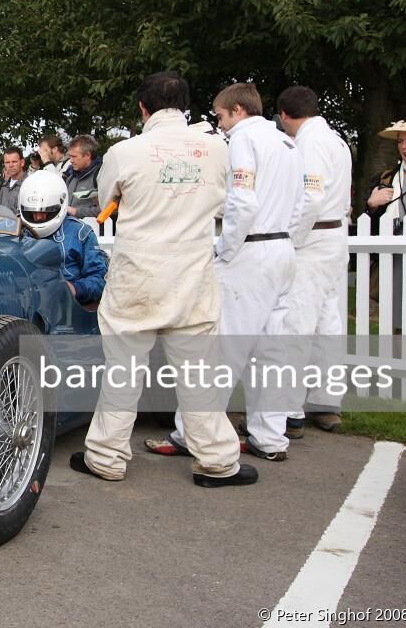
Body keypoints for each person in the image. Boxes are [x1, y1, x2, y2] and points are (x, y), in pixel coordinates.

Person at [72, 71, 255, 487]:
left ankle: (105, 457)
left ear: (142, 108)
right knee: (199, 375)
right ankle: (217, 462)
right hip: (191, 274)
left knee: (123, 371)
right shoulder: (216, 150)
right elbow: (228, 204)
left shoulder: (125, 151)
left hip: (138, 273)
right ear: (186, 105)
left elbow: (106, 200)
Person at [150, 83, 305, 462]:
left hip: (250, 251)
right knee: (272, 352)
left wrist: (224, 249)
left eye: (220, 116)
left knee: (220, 350)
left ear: (236, 110)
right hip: (282, 247)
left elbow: (241, 202)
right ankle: (270, 437)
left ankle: (192, 434)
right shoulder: (287, 143)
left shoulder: (243, 142)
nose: (220, 124)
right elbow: (302, 205)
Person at [278, 86, 354, 435]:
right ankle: (326, 403)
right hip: (336, 233)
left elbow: (310, 196)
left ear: (284, 115)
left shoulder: (309, 143)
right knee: (328, 322)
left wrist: (292, 238)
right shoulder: (337, 140)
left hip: (314, 236)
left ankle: (288, 410)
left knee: (298, 324)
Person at [17, 170, 108, 304]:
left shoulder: (80, 232)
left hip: (67, 309)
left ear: (61, 205)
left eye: (46, 211)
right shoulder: (16, 231)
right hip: (24, 305)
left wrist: (75, 289)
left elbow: (100, 278)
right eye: (32, 212)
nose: (38, 217)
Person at [63, 135, 103, 219]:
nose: (70, 160)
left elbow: (107, 209)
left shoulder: (101, 176)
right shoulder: (70, 176)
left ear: (88, 155)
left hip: (91, 230)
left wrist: (76, 212)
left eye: (74, 156)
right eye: (70, 156)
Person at [0, 146, 25, 212]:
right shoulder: (4, 187)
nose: (11, 165)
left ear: (22, 162)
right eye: (7, 162)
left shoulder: (29, 184)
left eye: (14, 162)